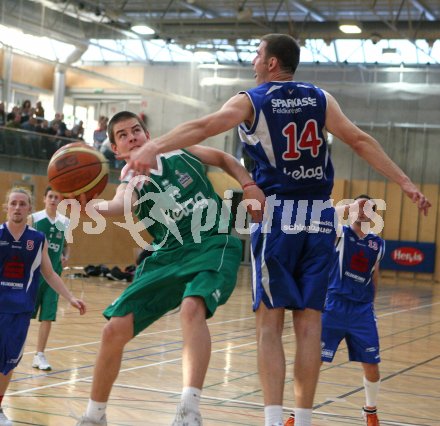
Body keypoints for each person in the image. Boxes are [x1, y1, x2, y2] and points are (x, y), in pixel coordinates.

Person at [121, 34, 431, 426]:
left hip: (278, 214)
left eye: (257, 53)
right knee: (309, 322)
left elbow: (204, 125)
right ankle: (301, 420)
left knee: (270, 321)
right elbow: (359, 139)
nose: (253, 60)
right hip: (319, 216)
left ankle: (271, 420)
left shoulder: (253, 100)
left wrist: (154, 146)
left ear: (271, 63)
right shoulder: (321, 98)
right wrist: (404, 181)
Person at [74, 111, 265, 426]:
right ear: (116, 149)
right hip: (168, 252)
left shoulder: (178, 150)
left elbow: (223, 158)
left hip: (212, 242)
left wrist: (248, 183)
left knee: (192, 308)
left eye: (137, 130)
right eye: (123, 135)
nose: (132, 136)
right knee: (113, 331)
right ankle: (94, 417)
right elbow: (122, 205)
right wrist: (91, 207)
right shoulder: (130, 177)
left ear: (148, 136)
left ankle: (189, 412)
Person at [286, 195, 385, 426]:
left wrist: (372, 304)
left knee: (372, 365)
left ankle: (370, 410)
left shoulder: (377, 244)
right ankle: (296, 413)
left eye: (367, 207)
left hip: (361, 310)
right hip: (334, 306)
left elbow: (375, 275)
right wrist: (351, 207)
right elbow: (331, 212)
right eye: (359, 206)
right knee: (314, 361)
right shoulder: (339, 233)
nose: (362, 211)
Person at [0, 187, 86, 426]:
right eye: (13, 203)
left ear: (29, 209)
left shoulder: (37, 239)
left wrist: (70, 297)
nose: (17, 208)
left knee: (9, 362)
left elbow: (49, 273)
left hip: (20, 309)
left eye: (22, 204)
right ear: (7, 207)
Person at [29, 187, 70, 371]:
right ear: (44, 198)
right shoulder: (35, 219)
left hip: (54, 277)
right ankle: (12, 350)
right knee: (23, 316)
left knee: (47, 317)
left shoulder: (65, 222)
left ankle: (39, 355)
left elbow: (67, 244)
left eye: (57, 197)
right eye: (50, 196)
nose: (53, 200)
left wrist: (65, 255)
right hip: (33, 276)